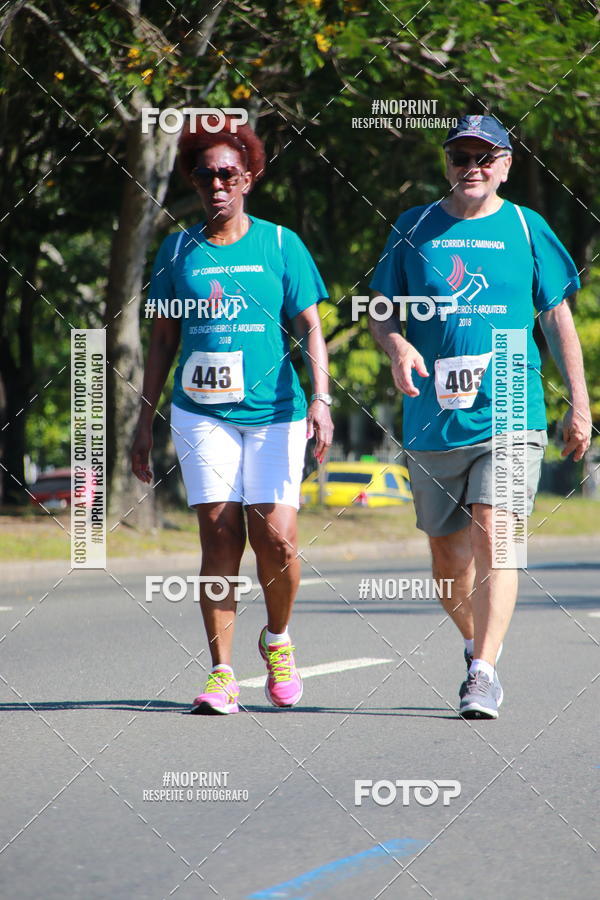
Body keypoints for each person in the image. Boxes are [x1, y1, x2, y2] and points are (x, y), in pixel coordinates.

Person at [369, 114, 591, 719]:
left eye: (485, 157)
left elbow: (556, 318)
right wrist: (398, 346)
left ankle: (485, 673)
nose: (473, 167)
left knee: (496, 530)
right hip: (433, 418)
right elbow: (381, 313)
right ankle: (473, 645)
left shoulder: (526, 226)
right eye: (461, 156)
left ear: (505, 166)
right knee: (447, 557)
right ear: (447, 163)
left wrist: (580, 402)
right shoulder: (413, 227)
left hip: (511, 411)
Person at [131, 114, 333, 715]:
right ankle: (221, 672)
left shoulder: (279, 244)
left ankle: (277, 641)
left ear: (248, 177)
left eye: (227, 173)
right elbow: (162, 340)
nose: (216, 183)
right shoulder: (177, 249)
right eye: (204, 175)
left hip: (274, 413)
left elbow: (311, 328)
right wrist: (144, 421)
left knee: (276, 540)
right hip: (200, 412)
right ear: (193, 183)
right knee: (218, 537)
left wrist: (321, 400)